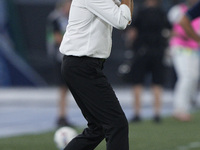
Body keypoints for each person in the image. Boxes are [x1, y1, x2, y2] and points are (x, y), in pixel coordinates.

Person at [59, 0, 133, 149]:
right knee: (116, 124)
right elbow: (121, 21)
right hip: (82, 65)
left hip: (81, 65)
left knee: (98, 127)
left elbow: (126, 17)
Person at [124, 0, 171, 123]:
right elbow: (169, 31)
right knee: (157, 83)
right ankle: (157, 114)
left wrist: (130, 45)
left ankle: (137, 113)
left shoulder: (141, 12)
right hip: (158, 51)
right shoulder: (162, 13)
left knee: (138, 82)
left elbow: (132, 32)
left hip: (141, 51)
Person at [167, 0, 200, 121]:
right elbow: (171, 29)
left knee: (194, 77)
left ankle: (186, 106)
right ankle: (179, 108)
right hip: (180, 47)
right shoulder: (177, 10)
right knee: (186, 76)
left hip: (194, 49)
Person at [46, 0, 72, 127]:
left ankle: (63, 115)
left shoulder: (70, 17)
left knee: (67, 88)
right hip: (60, 57)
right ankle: (61, 115)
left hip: (68, 56)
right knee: (62, 88)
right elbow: (56, 38)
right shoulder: (56, 18)